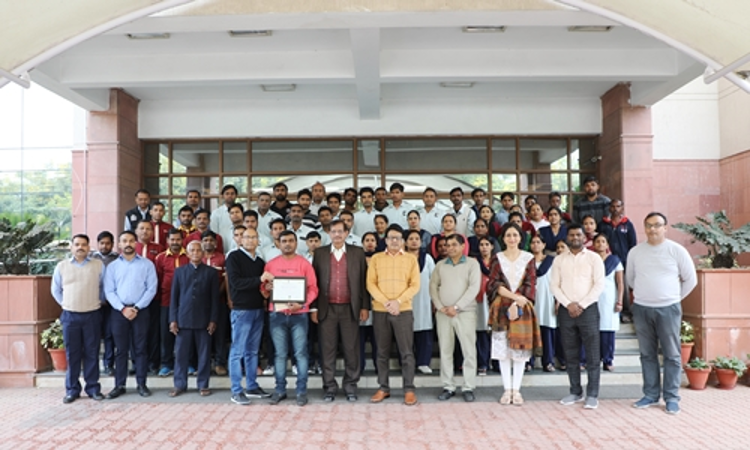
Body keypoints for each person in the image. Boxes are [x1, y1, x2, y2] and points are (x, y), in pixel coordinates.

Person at [627, 212, 697, 415]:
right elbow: (631, 279)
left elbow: (691, 279)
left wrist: (673, 298)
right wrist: (647, 295)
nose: (652, 229)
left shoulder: (676, 250)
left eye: (657, 225)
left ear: (665, 228)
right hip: (642, 308)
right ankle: (650, 394)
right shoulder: (635, 252)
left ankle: (672, 397)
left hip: (669, 309)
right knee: (647, 354)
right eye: (648, 225)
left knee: (672, 355)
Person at [311, 220, 370, 402]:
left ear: (346, 233)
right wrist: (314, 307)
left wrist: (364, 306)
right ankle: (329, 387)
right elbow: (314, 282)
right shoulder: (320, 253)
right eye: (333, 231)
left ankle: (350, 386)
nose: (337, 235)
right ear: (328, 233)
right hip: (326, 308)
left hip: (350, 308)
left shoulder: (357, 252)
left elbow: (364, 281)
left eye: (340, 231)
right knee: (327, 349)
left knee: (351, 349)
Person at [550, 224, 605, 410]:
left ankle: (592, 394)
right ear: (567, 237)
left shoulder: (594, 258)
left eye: (578, 235)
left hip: (588, 309)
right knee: (570, 353)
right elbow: (554, 285)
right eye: (572, 235)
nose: (575, 238)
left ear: (584, 237)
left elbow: (599, 285)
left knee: (592, 354)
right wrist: (568, 304)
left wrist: (581, 304)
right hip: (566, 310)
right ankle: (575, 391)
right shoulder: (559, 260)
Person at [262, 230, 319, 406]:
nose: (287, 244)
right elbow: (264, 291)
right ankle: (280, 390)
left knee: (301, 354)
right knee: (279, 355)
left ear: (296, 243)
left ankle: (301, 391)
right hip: (277, 314)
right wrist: (266, 288)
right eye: (284, 241)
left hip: (299, 315)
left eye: (291, 241)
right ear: (278, 244)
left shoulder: (304, 264)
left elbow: (313, 288)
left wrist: (302, 304)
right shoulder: (271, 265)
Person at [366, 224, 421, 406]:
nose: (394, 241)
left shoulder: (411, 259)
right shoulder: (376, 258)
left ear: (403, 241)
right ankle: (383, 388)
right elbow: (371, 284)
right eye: (391, 238)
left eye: (398, 238)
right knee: (381, 352)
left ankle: (409, 389)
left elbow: (415, 285)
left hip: (403, 310)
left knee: (406, 352)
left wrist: (398, 301)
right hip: (381, 310)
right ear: (386, 240)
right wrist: (387, 302)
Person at [486, 223, 540, 406]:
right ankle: (506, 389)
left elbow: (530, 283)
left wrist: (518, 302)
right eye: (508, 235)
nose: (512, 238)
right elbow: (493, 283)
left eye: (515, 235)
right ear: (503, 238)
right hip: (501, 306)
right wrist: (513, 298)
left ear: (520, 238)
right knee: (503, 351)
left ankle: (516, 390)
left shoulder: (528, 258)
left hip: (522, 307)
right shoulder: (497, 258)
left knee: (520, 350)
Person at [104, 230, 158, 399]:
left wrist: (136, 307)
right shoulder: (112, 267)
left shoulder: (147, 264)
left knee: (141, 348)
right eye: (124, 241)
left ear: (136, 243)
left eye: (131, 241)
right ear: (119, 244)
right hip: (119, 312)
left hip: (140, 312)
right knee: (121, 350)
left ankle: (141, 384)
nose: (128, 244)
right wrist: (122, 308)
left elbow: (151, 289)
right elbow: (109, 291)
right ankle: (119, 385)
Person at [52, 234, 105, 404]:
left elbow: (103, 287)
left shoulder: (98, 265)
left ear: (89, 247)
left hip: (92, 314)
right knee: (72, 354)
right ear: (71, 247)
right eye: (77, 244)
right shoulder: (62, 266)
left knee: (92, 353)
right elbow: (56, 290)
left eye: (83, 244)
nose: (80, 247)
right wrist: (66, 304)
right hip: (70, 316)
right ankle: (72, 390)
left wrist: (96, 302)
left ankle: (93, 388)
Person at [430, 234, 481, 402]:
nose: (450, 248)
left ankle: (468, 387)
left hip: (465, 313)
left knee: (468, 351)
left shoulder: (472, 264)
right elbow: (433, 287)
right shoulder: (440, 265)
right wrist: (440, 307)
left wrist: (457, 307)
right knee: (445, 350)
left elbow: (474, 288)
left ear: (462, 246)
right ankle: (448, 386)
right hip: (444, 313)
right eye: (447, 245)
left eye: (454, 244)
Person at [225, 227, 272, 405]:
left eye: (254, 237)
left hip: (257, 309)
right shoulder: (234, 257)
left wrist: (266, 288)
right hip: (242, 310)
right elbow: (236, 283)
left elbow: (260, 286)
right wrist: (259, 280)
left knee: (252, 350)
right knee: (237, 351)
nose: (250, 240)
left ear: (258, 240)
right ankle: (236, 390)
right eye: (247, 237)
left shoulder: (259, 262)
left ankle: (251, 386)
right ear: (240, 239)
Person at [169, 241, 220, 397]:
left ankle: (203, 385)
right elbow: (174, 298)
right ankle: (179, 384)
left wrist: (213, 319)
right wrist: (173, 319)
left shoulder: (211, 273)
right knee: (181, 355)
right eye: (192, 250)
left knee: (204, 355)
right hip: (183, 319)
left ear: (203, 253)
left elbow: (215, 299)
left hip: (204, 320)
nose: (196, 253)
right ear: (188, 253)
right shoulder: (179, 272)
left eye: (199, 250)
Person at [153, 229, 189, 378]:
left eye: (178, 240)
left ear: (182, 240)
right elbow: (158, 279)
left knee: (186, 333)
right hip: (166, 301)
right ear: (167, 241)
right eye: (172, 240)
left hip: (186, 302)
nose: (175, 242)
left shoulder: (189, 256)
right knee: (166, 334)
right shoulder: (160, 258)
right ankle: (166, 364)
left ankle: (188, 363)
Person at [597, 198, 637, 322]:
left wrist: (630, 260)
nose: (615, 209)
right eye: (613, 206)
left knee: (622, 286)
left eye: (618, 206)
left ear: (622, 208)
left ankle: (625, 312)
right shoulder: (603, 224)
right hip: (606, 260)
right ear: (609, 208)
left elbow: (632, 243)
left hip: (623, 261)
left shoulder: (627, 224)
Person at [133, 220, 163, 373]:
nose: (145, 231)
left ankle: (153, 362)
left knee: (153, 331)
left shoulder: (159, 249)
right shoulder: (132, 248)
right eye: (142, 228)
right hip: (135, 299)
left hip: (154, 297)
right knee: (136, 332)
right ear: (136, 231)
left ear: (152, 232)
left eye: (148, 229)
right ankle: (136, 363)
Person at [405, 229, 436, 375]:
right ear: (405, 242)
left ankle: (423, 362)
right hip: (406, 300)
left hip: (424, 299)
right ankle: (407, 362)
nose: (414, 241)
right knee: (406, 333)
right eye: (410, 239)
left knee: (424, 330)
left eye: (417, 239)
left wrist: (434, 301)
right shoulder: (401, 258)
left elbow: (434, 280)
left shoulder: (427, 258)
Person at [593, 234, 624, 372]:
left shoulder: (615, 261)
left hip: (609, 299)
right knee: (593, 330)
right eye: (597, 241)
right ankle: (593, 359)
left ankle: (608, 359)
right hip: (592, 298)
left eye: (603, 241)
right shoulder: (590, 260)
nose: (600, 244)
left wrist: (620, 301)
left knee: (608, 329)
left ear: (607, 245)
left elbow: (620, 283)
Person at [529, 234, 560, 372]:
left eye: (538, 242)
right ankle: (528, 361)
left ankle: (548, 361)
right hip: (531, 299)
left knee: (548, 332)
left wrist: (558, 300)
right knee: (530, 332)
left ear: (544, 245)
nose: (535, 245)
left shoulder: (551, 261)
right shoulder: (527, 261)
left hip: (547, 298)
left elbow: (557, 282)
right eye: (533, 242)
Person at [201, 230, 229, 376]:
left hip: (219, 301)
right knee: (202, 334)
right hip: (200, 304)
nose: (208, 243)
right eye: (205, 240)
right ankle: (204, 363)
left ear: (216, 243)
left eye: (211, 240)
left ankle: (220, 363)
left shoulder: (222, 258)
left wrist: (216, 294)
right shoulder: (197, 258)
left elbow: (226, 279)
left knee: (220, 333)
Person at [90, 231, 118, 376]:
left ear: (112, 244)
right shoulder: (90, 259)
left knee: (109, 335)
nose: (104, 246)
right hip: (94, 303)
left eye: (107, 243)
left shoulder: (117, 259)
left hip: (112, 304)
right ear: (97, 244)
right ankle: (92, 365)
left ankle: (108, 364)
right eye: (102, 243)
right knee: (93, 335)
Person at [474, 237, 494, 376]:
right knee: (481, 331)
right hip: (479, 299)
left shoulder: (498, 262)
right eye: (481, 244)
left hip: (495, 299)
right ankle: (483, 363)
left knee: (497, 332)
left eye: (487, 244)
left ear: (492, 246)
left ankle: (497, 363)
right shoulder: (474, 262)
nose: (484, 247)